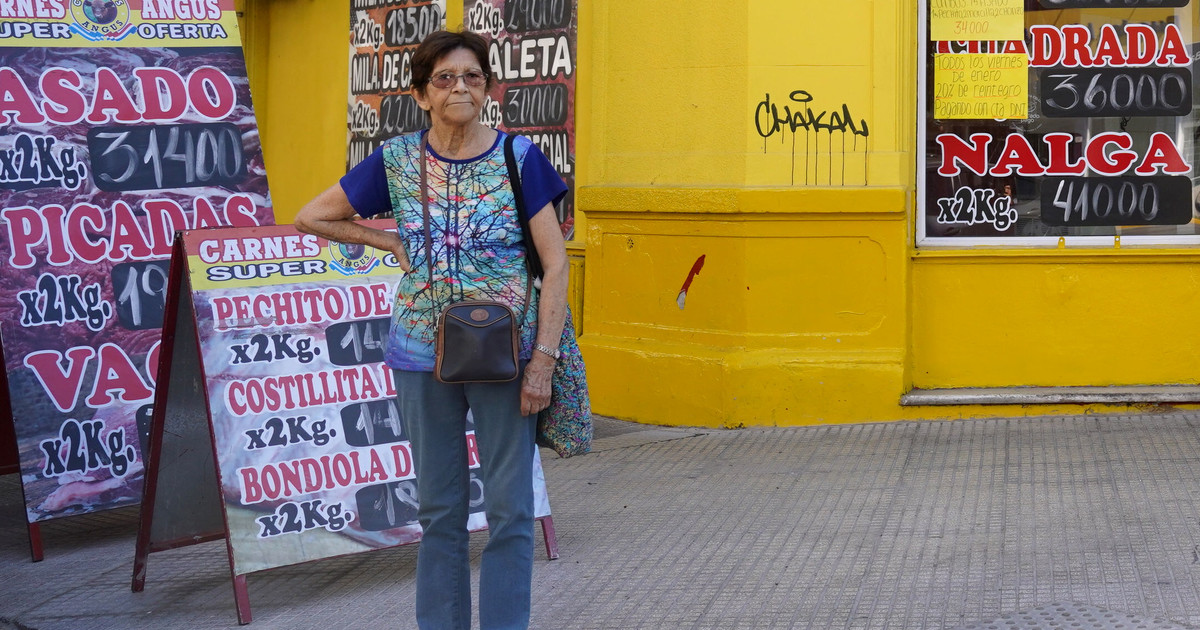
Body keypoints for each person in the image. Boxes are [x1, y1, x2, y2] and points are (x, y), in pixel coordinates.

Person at [294, 29, 568, 630]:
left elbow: (555, 264)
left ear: (488, 89)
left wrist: (543, 362)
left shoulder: (520, 158)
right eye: (444, 79)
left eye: (472, 77)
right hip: (421, 353)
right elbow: (312, 216)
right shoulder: (396, 160)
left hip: (506, 357)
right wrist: (387, 240)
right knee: (440, 511)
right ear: (422, 94)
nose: (459, 88)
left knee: (510, 511)